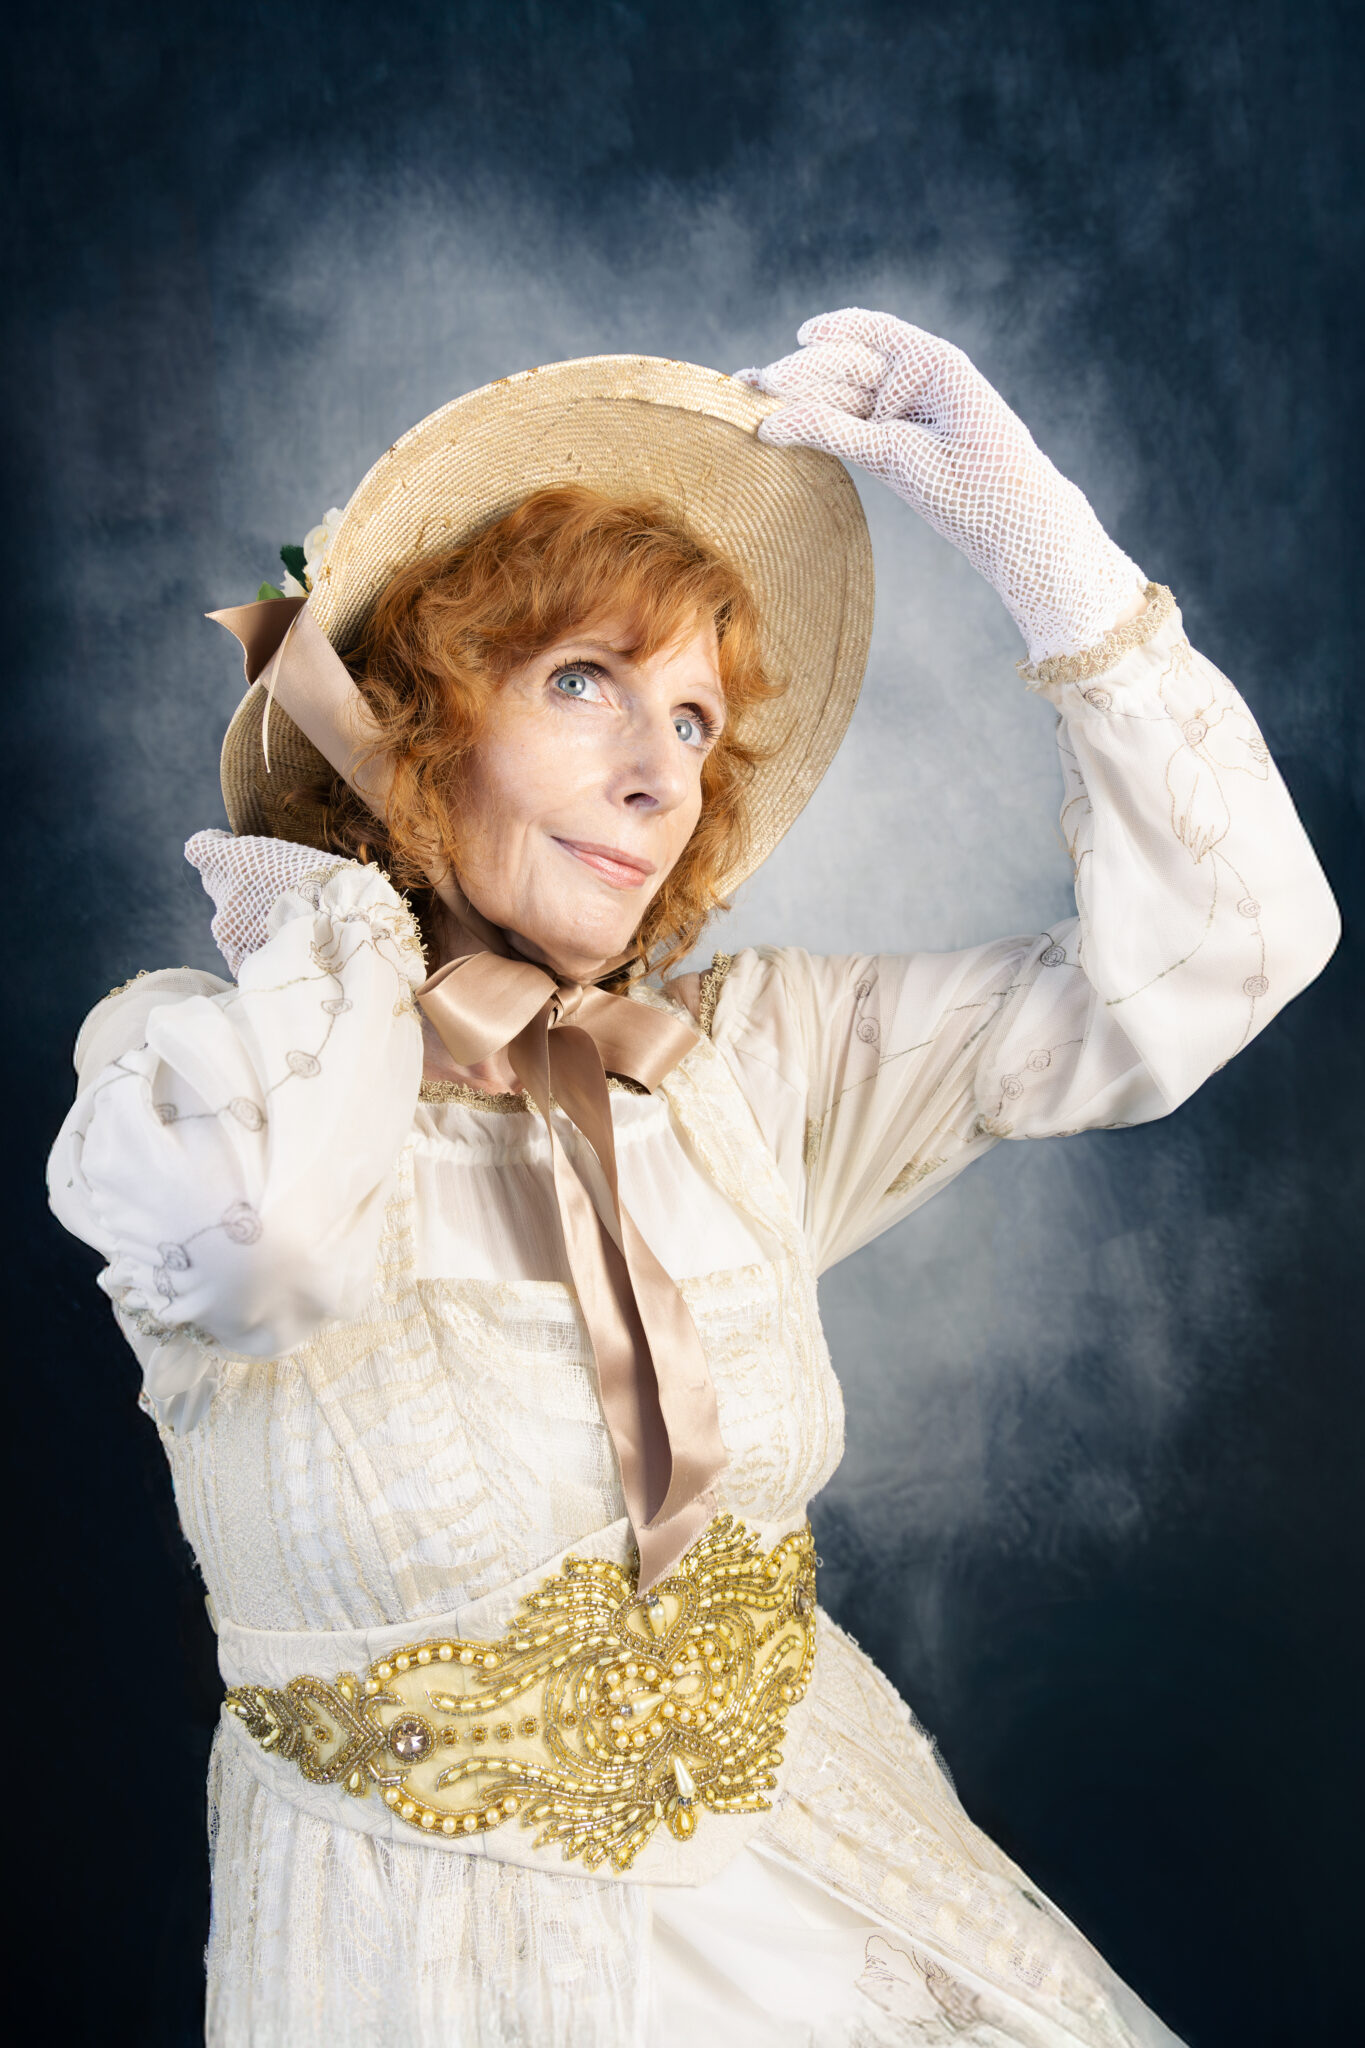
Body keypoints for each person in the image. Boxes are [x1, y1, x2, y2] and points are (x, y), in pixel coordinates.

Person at [48, 311, 1338, 2048]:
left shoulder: (743, 1061)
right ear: (415, 719)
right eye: (583, 680)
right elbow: (279, 1251)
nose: (658, 773)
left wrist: (1047, 559)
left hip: (833, 1891)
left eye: (693, 717)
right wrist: (343, 907)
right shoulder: (187, 1067)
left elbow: (1222, 957)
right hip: (415, 1969)